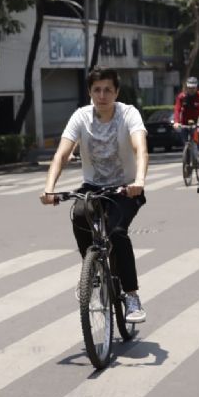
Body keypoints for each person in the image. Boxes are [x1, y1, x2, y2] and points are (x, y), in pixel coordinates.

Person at [40, 66, 148, 323]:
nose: (102, 95)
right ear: (90, 92)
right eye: (97, 90)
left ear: (116, 92)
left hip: (125, 187)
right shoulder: (81, 117)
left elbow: (140, 149)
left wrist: (140, 181)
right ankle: (92, 274)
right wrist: (49, 187)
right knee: (78, 214)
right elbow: (62, 154)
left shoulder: (128, 114)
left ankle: (132, 295)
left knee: (116, 232)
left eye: (108, 90)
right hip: (92, 187)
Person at [173, 76, 199, 145]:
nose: (191, 90)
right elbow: (177, 109)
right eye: (190, 88)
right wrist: (176, 122)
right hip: (184, 124)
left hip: (197, 123)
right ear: (187, 87)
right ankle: (186, 152)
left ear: (197, 87)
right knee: (184, 142)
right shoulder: (181, 97)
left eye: (193, 88)